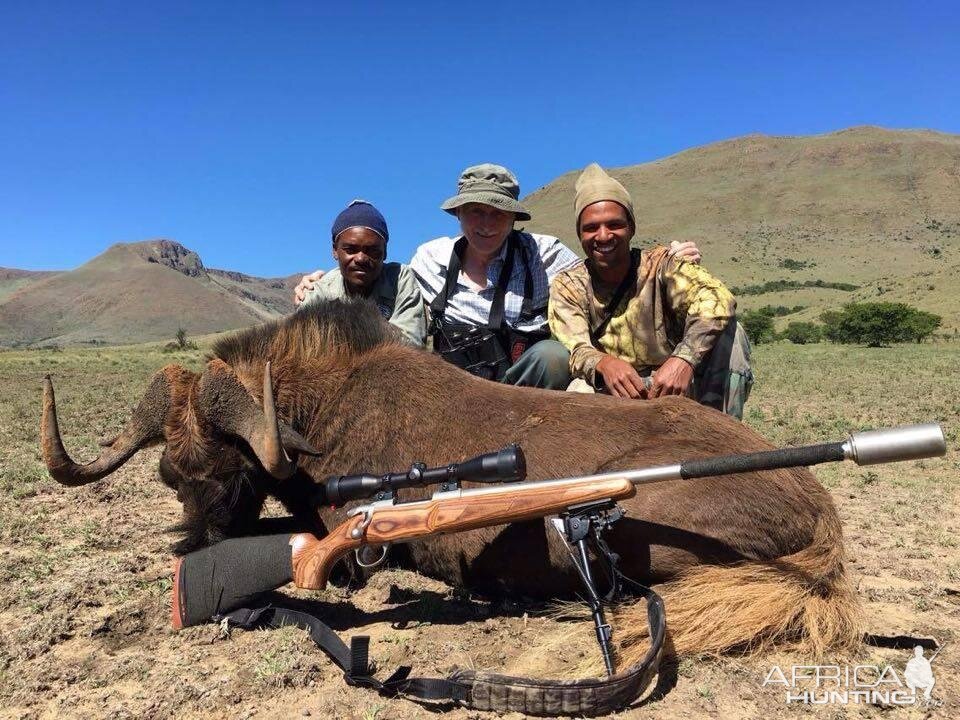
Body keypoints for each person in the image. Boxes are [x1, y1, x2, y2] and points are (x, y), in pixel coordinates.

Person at [548, 163, 752, 418]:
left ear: (631, 227)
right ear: (579, 234)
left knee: (730, 335)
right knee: (578, 393)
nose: (603, 236)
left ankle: (722, 439)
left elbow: (718, 299)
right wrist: (605, 363)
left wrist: (684, 359)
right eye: (591, 227)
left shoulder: (663, 265)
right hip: (615, 390)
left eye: (614, 224)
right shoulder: (569, 285)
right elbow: (577, 349)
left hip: (678, 383)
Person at [296, 199, 426, 346]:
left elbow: (411, 345)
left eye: (372, 251)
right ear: (335, 250)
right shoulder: (319, 292)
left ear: (385, 252)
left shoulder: (400, 279)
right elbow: (302, 346)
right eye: (350, 250)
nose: (361, 258)